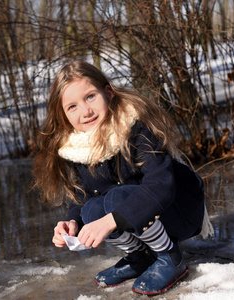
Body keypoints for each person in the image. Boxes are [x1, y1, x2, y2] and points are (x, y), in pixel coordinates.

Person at [32, 61, 212, 296]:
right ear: (62, 114)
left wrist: (111, 221)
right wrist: (73, 222)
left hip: (179, 210)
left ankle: (169, 257)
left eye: (90, 97)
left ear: (108, 93)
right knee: (91, 210)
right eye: (72, 106)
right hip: (142, 217)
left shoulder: (134, 126)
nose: (85, 111)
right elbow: (83, 196)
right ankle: (141, 256)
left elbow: (161, 187)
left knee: (116, 199)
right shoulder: (76, 146)